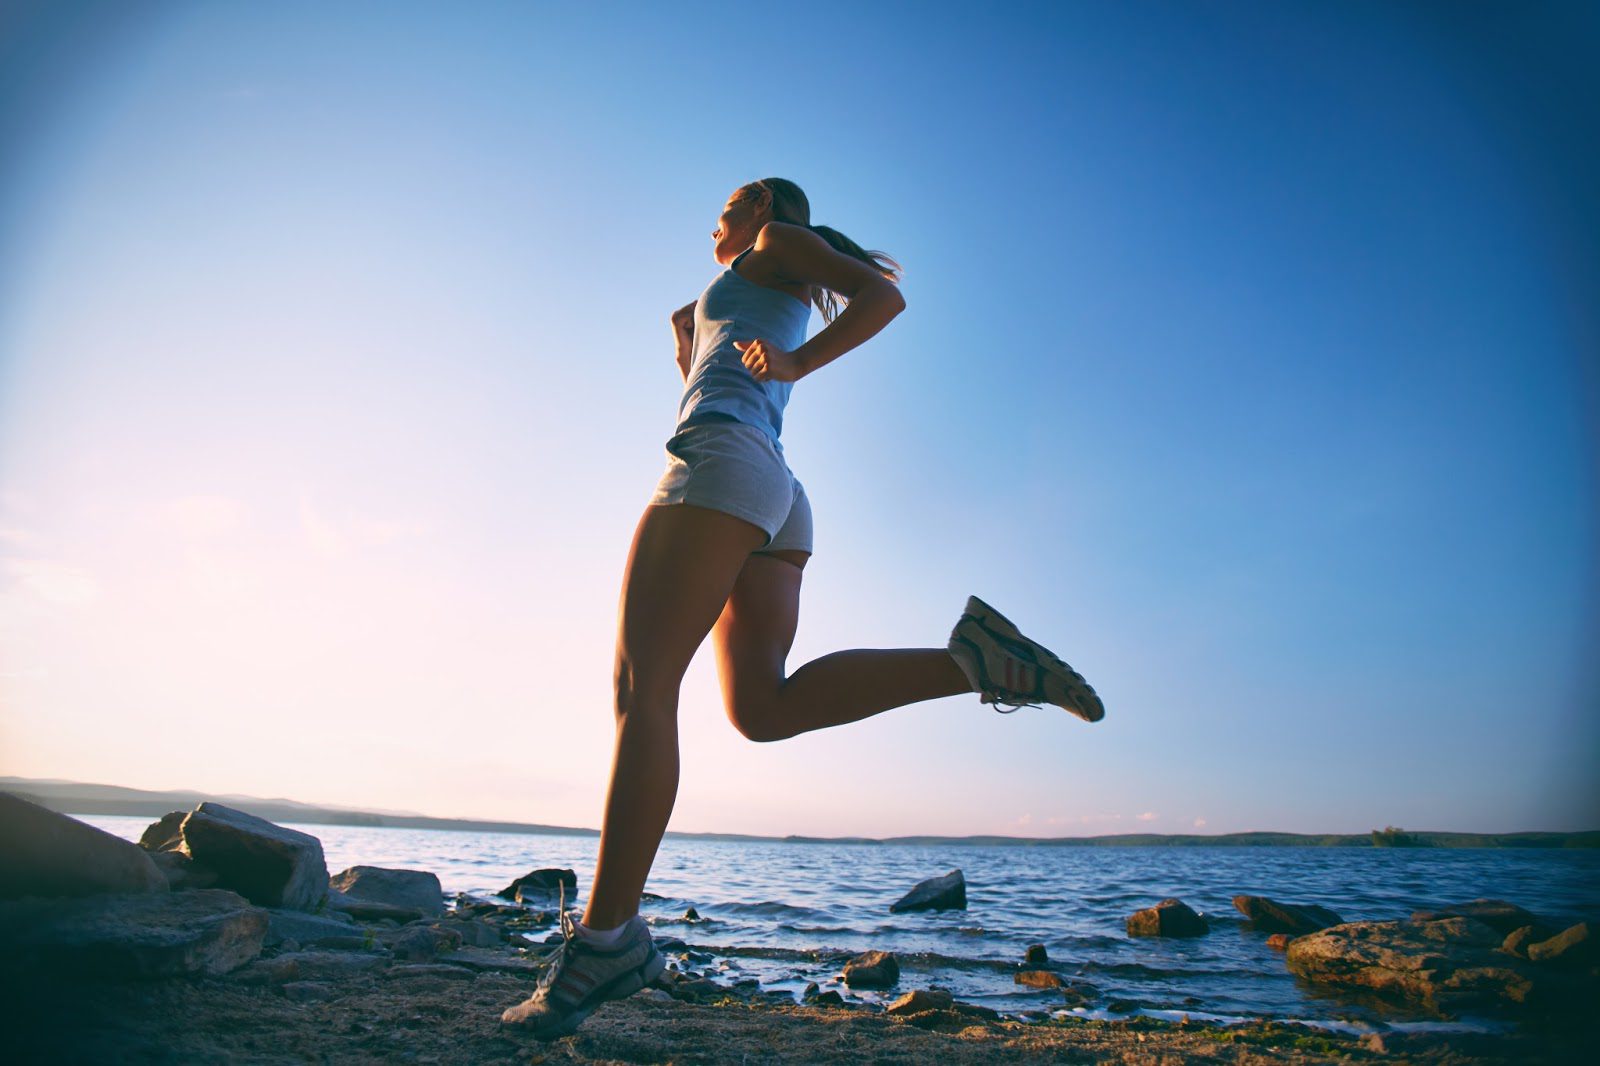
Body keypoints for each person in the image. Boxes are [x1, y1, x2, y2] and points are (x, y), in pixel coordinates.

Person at [500, 177, 1104, 1040]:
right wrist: (693, 336)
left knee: (645, 692)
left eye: (731, 201)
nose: (716, 215)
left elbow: (882, 296)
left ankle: (605, 942)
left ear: (766, 209)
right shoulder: (747, 276)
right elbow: (720, 339)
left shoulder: (774, 243)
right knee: (762, 709)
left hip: (721, 462)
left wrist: (794, 361)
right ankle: (978, 660)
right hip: (772, 488)